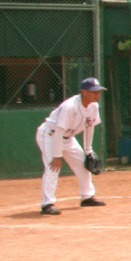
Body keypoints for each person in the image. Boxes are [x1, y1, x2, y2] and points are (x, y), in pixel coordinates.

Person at [36, 77, 108, 215]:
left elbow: (89, 127)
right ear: (84, 92)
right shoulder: (70, 107)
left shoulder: (93, 106)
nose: (97, 94)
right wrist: (57, 156)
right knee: (53, 167)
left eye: (98, 91)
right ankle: (47, 204)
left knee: (84, 163)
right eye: (93, 92)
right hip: (50, 136)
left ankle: (87, 197)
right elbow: (58, 131)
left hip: (68, 138)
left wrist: (88, 151)